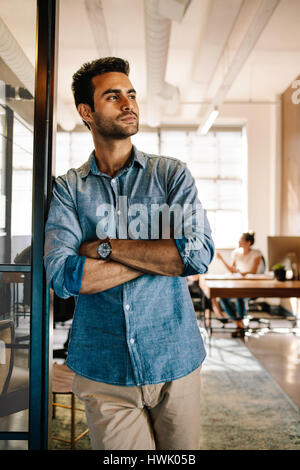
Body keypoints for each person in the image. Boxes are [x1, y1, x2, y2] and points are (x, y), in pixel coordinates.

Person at [44, 57, 214, 450]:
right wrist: (161, 254)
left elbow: (197, 255)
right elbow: (65, 276)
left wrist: (104, 249)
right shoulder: (69, 190)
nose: (128, 103)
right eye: (113, 96)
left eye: (132, 94)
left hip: (176, 358)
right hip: (104, 369)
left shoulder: (171, 175)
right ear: (86, 111)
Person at [216, 231, 263, 337]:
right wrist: (222, 259)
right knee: (222, 297)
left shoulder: (256, 253)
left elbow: (253, 271)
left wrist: (240, 273)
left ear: (248, 243)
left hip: (250, 285)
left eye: (241, 240)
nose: (239, 241)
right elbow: (232, 271)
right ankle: (238, 323)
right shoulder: (235, 253)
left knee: (239, 295)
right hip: (237, 282)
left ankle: (240, 325)